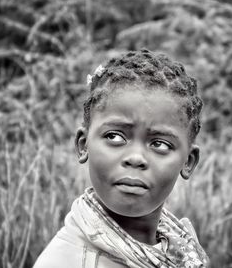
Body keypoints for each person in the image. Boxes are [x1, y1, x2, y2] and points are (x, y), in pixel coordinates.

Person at [33, 49, 209, 268]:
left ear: (188, 161)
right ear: (83, 144)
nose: (135, 158)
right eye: (114, 136)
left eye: (159, 144)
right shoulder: (65, 262)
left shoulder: (179, 244)